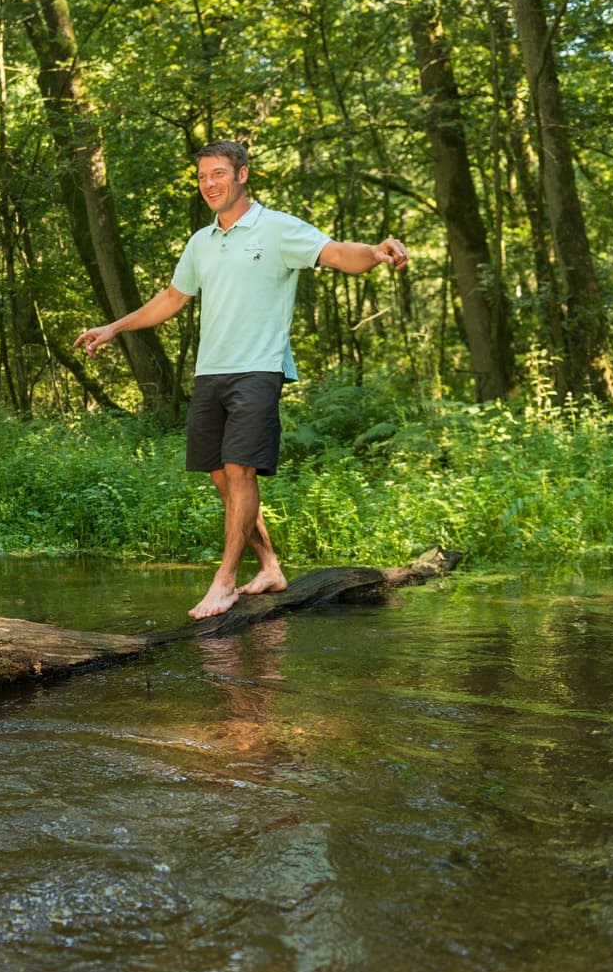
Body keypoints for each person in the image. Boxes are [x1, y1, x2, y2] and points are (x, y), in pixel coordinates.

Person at [74, 140, 406, 620]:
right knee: (223, 480)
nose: (210, 183)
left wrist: (375, 252)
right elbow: (171, 298)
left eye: (219, 174)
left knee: (239, 471)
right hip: (211, 372)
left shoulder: (276, 229)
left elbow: (336, 253)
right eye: (203, 176)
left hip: (258, 368)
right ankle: (269, 566)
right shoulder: (200, 242)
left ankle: (225, 581)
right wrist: (114, 327)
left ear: (242, 174)